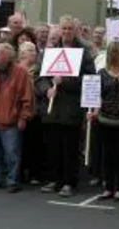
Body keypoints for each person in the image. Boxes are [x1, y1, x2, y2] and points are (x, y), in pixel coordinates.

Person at [38, 15, 96, 197]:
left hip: (71, 107)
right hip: (52, 107)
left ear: (76, 30)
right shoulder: (51, 52)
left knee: (69, 147)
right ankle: (55, 179)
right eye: (63, 28)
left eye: (70, 28)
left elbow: (89, 80)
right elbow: (40, 78)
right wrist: (47, 89)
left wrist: (66, 81)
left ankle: (69, 182)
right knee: (53, 145)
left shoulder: (83, 53)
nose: (66, 32)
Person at [0, 43, 33, 193]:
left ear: (8, 57)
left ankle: (12, 180)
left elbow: (26, 98)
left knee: (12, 153)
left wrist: (23, 117)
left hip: (11, 121)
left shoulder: (21, 73)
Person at [88, 42, 119, 200]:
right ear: (115, 55)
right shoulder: (101, 73)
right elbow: (97, 96)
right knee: (107, 155)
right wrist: (94, 112)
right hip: (105, 119)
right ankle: (108, 187)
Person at [18, 42, 41, 184]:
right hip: (18, 112)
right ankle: (19, 173)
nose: (33, 53)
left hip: (36, 111)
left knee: (34, 145)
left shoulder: (39, 69)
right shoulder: (15, 69)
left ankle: (35, 174)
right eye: (30, 50)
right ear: (22, 53)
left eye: (34, 50)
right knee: (18, 145)